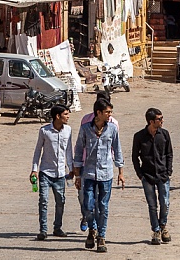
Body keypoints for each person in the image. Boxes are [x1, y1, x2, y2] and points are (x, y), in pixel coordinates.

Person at [74, 99, 125, 253]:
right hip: (88, 173)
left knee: (103, 207)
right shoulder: (85, 129)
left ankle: (101, 237)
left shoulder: (112, 129)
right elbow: (78, 150)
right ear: (99, 113)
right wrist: (77, 174)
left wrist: (121, 171)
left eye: (110, 112)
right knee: (88, 206)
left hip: (106, 173)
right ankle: (92, 229)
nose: (110, 115)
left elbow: (117, 149)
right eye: (107, 112)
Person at [30, 104, 74, 240]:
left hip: (60, 173)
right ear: (57, 116)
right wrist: (34, 170)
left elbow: (68, 151)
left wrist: (71, 169)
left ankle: (57, 227)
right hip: (45, 172)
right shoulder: (45, 131)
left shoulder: (68, 130)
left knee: (60, 201)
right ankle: (43, 230)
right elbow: (38, 151)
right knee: (43, 200)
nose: (68, 117)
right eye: (66, 114)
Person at [132, 108, 173, 245]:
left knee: (165, 203)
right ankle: (155, 230)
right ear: (151, 121)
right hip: (147, 175)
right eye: (159, 119)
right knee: (152, 205)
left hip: (163, 175)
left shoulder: (165, 134)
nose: (162, 121)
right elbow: (134, 157)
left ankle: (163, 226)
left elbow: (169, 154)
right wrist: (140, 174)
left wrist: (168, 171)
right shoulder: (139, 136)